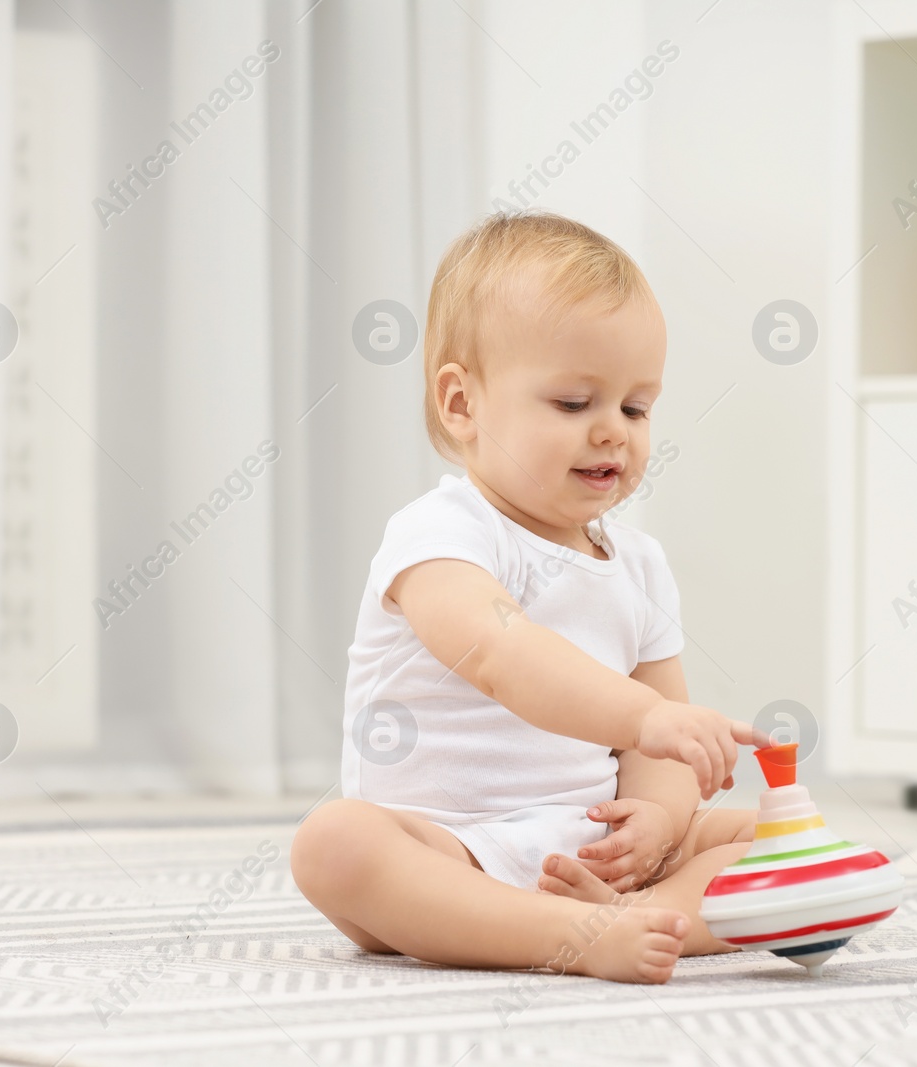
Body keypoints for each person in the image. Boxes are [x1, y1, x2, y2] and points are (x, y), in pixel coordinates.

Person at [290, 211, 769, 984]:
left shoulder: (640, 565)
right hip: (448, 850)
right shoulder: (439, 535)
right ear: (462, 404)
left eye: (636, 407)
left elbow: (658, 753)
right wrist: (646, 718)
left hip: (589, 847)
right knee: (334, 843)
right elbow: (501, 654)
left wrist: (655, 820)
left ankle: (627, 919)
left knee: (784, 835)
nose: (613, 431)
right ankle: (559, 931)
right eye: (575, 404)